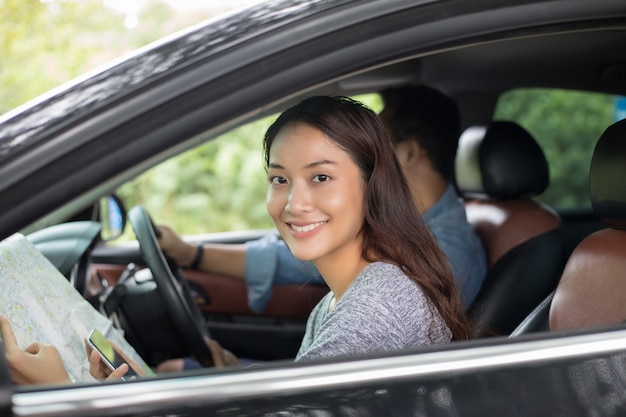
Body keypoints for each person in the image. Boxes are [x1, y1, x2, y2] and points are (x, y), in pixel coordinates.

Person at [1, 96, 471, 384]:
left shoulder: (379, 303)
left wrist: (60, 393)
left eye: (321, 177)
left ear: (373, 184)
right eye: (279, 179)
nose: (293, 203)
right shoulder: (341, 299)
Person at [158, 85, 486, 312]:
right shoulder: (408, 232)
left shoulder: (439, 254)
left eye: (376, 148)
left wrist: (192, 254)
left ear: (409, 151)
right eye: (279, 179)